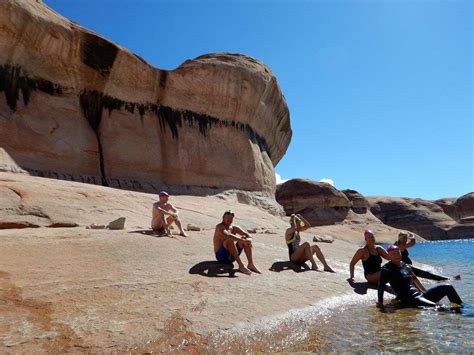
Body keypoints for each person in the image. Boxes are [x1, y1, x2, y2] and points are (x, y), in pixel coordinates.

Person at [377, 245, 463, 309]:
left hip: (421, 295)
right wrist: (380, 303)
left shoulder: (405, 265)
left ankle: (462, 308)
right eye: (394, 254)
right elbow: (380, 286)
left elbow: (425, 274)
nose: (397, 255)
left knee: (448, 288)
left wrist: (447, 278)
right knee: (437, 307)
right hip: (411, 300)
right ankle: (459, 315)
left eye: (398, 252)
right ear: (389, 255)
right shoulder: (387, 269)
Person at [213, 210, 261, 275]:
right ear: (223, 217)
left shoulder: (234, 228)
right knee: (230, 240)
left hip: (232, 258)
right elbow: (228, 235)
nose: (230, 219)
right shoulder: (219, 227)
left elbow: (248, 234)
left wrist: (249, 239)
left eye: (231, 218)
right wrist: (242, 240)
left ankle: (250, 264)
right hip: (221, 257)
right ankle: (241, 265)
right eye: (228, 217)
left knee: (244, 238)